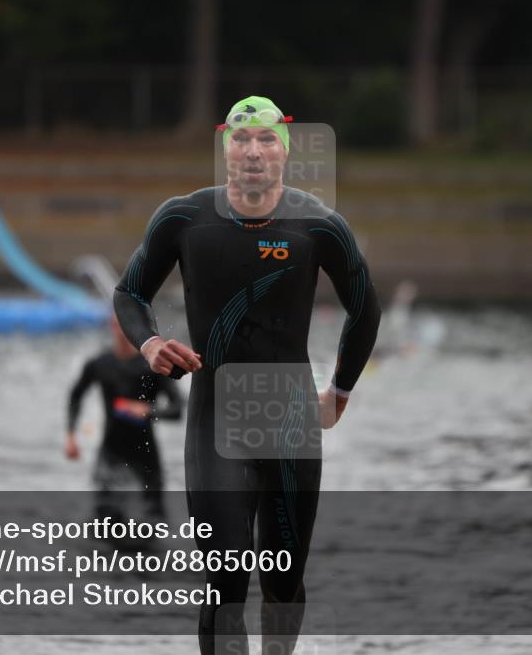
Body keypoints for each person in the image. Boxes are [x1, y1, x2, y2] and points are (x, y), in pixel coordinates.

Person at [113, 96, 381, 654]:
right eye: (240, 139)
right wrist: (151, 342)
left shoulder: (319, 225)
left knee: (282, 580)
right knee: (226, 582)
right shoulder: (185, 218)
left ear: (285, 151)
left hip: (290, 421)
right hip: (215, 421)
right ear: (224, 150)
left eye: (265, 140)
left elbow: (365, 308)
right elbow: (130, 292)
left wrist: (341, 391)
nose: (253, 151)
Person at [66, 314, 183, 521]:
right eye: (119, 326)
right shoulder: (99, 363)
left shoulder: (153, 366)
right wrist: (70, 436)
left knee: (154, 518)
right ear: (112, 326)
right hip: (111, 451)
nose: (124, 332)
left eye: (129, 326)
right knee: (104, 518)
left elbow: (177, 408)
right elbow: (76, 396)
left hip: (145, 453)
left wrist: (147, 410)